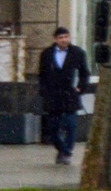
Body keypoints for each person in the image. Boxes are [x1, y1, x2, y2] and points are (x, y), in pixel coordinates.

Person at [34, 26, 92, 165]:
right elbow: (42, 74)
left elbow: (85, 72)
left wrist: (80, 88)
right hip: (52, 95)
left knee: (70, 125)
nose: (64, 40)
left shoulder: (77, 52)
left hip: (69, 94)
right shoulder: (47, 54)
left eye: (66, 37)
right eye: (61, 38)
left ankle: (67, 152)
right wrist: (44, 91)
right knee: (53, 127)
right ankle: (61, 148)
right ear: (55, 39)